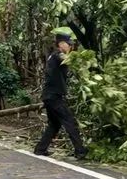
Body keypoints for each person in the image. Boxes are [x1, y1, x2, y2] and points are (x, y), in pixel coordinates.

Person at [34, 30, 88, 159]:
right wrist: (81, 61)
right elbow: (65, 59)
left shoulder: (53, 56)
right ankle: (80, 151)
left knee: (54, 124)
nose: (70, 47)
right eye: (68, 44)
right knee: (69, 121)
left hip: (50, 96)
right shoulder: (58, 55)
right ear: (61, 44)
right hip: (54, 97)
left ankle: (40, 149)